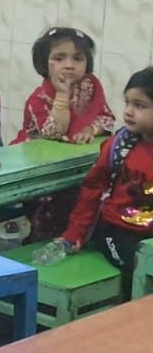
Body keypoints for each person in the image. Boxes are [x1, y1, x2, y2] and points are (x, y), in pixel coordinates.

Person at [57, 67, 153, 275]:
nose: (128, 111)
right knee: (138, 266)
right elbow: (92, 190)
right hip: (117, 231)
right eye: (127, 102)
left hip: (150, 236)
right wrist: (75, 233)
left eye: (139, 105)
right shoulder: (119, 145)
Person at [15, 27, 113, 145]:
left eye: (78, 59)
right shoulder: (38, 99)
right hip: (38, 150)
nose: (69, 65)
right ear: (44, 62)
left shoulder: (90, 86)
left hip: (79, 150)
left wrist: (90, 129)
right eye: (59, 59)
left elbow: (107, 119)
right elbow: (53, 134)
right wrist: (62, 94)